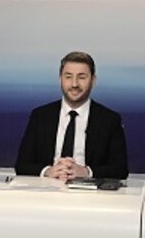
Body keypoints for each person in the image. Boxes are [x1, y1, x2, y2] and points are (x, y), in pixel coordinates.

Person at [15, 51, 128, 180]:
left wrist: (86, 172)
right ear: (60, 80)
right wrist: (48, 171)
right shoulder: (40, 116)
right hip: (48, 187)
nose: (74, 84)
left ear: (93, 81)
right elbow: (21, 165)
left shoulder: (109, 120)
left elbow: (120, 170)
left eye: (82, 77)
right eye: (68, 77)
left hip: (89, 190)